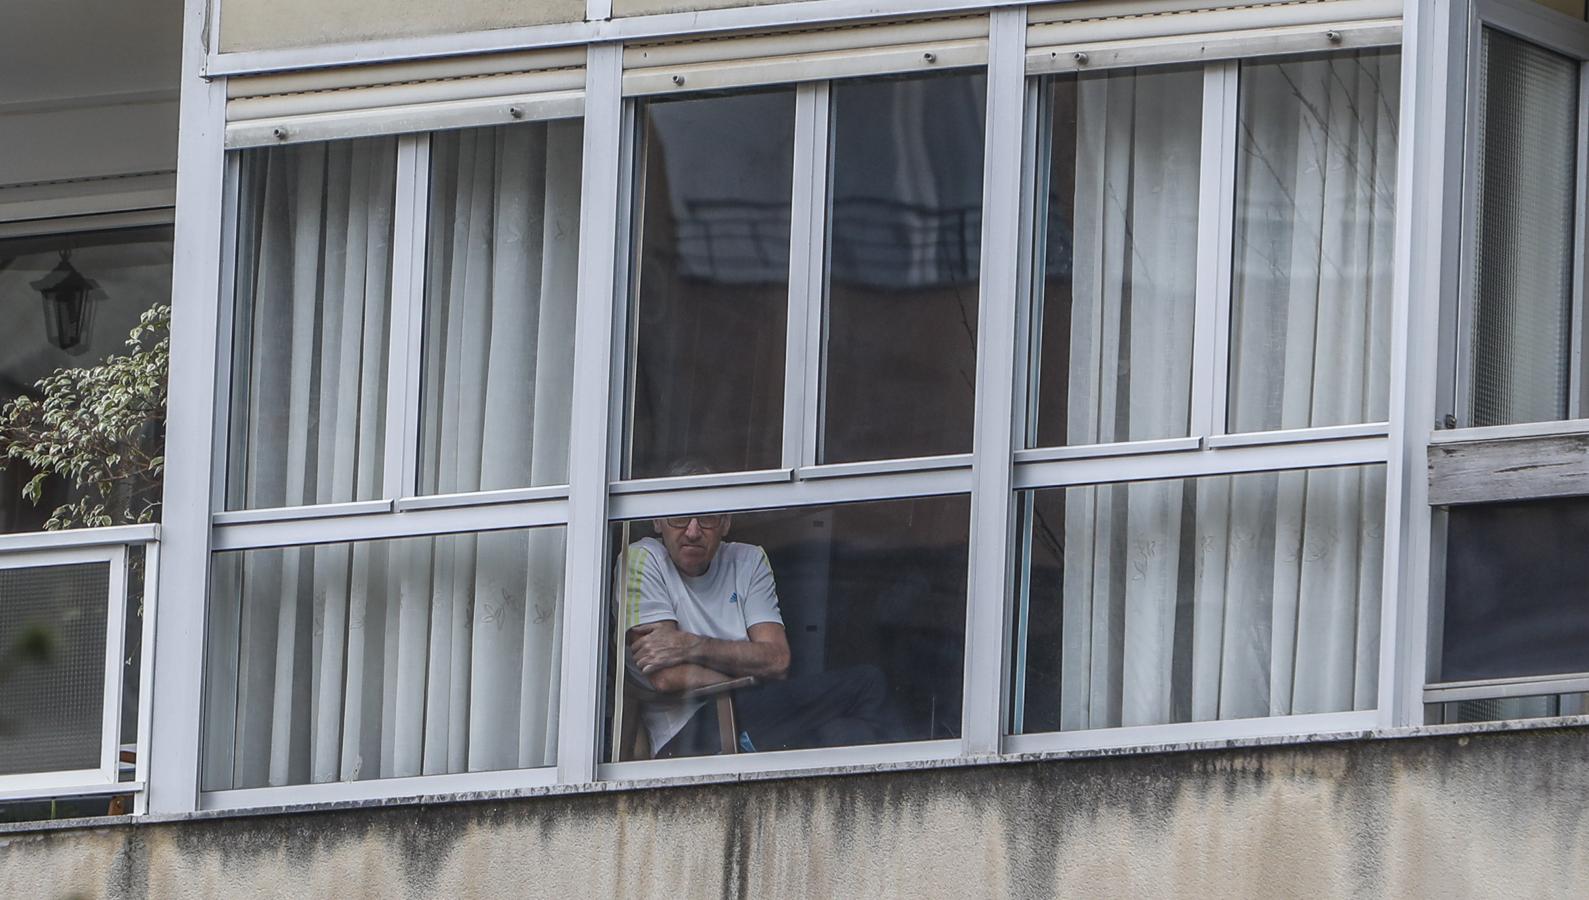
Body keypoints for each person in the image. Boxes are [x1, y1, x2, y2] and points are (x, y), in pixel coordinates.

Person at [619, 512, 901, 758]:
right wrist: (748, 673)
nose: (692, 531)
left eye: (707, 519)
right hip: (687, 736)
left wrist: (691, 645)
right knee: (868, 684)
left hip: (752, 714)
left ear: (726, 523)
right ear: (657, 521)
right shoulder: (642, 559)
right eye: (679, 518)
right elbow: (666, 676)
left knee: (848, 732)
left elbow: (777, 659)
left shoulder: (748, 560)